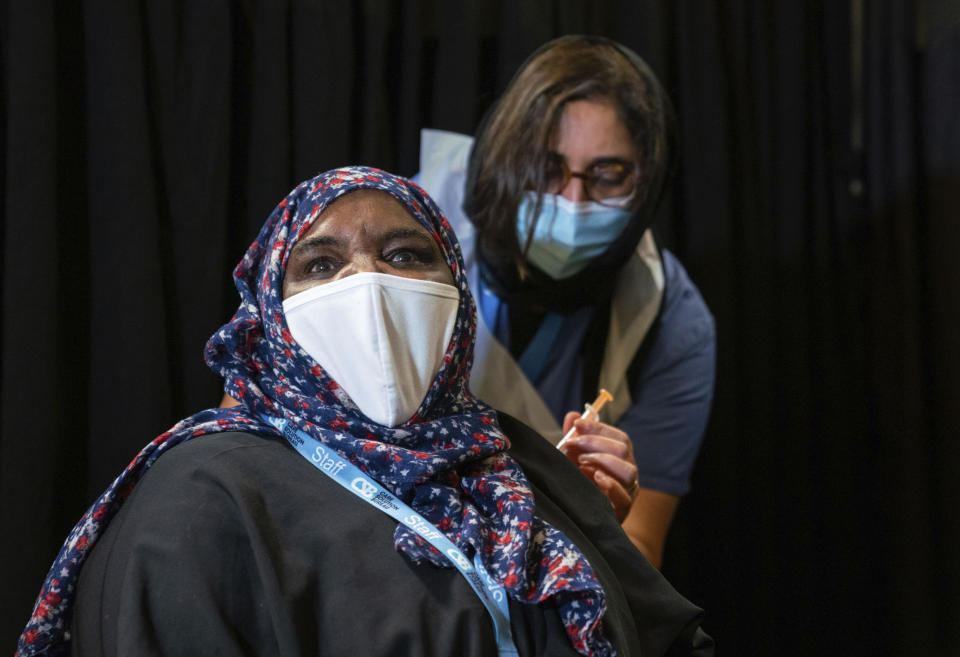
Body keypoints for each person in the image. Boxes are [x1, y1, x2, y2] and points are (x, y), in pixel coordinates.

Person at [17, 167, 713, 657]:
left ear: (459, 303)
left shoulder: (518, 462)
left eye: (406, 254)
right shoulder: (205, 499)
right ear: (268, 317)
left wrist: (588, 531)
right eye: (319, 265)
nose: (368, 281)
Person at [417, 35, 716, 568]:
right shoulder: (402, 235)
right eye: (547, 169)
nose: (573, 203)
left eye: (608, 176)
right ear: (505, 157)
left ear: (648, 181)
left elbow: (642, 553)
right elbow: (256, 412)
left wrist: (600, 525)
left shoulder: (671, 318)